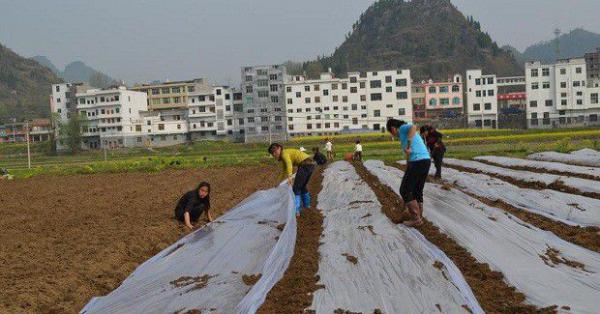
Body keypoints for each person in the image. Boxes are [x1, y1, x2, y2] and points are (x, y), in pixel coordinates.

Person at [386, 119, 431, 227]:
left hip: (418, 161)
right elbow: (408, 154)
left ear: (393, 129)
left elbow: (413, 127)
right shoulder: (403, 136)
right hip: (425, 160)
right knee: (417, 191)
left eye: (391, 133)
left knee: (405, 190)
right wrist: (408, 166)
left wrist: (409, 145)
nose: (393, 135)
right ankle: (419, 217)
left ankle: (416, 219)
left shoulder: (402, 128)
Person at [269, 143, 316, 216]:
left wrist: (290, 177)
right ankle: (307, 206)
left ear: (279, 148)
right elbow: (284, 170)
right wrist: (279, 182)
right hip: (310, 164)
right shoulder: (284, 155)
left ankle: (296, 211)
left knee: (296, 188)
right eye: (272, 153)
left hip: (305, 164)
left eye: (275, 151)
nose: (274, 154)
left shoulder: (284, 153)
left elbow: (289, 165)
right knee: (302, 187)